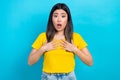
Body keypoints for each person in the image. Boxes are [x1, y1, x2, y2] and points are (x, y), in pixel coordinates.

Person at [28, 3, 93, 80]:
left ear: (67, 19)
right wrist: (43, 48)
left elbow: (90, 62)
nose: (59, 19)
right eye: (55, 16)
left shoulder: (75, 37)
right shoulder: (43, 37)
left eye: (63, 16)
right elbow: (30, 62)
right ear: (51, 19)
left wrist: (75, 49)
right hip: (48, 77)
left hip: (69, 77)